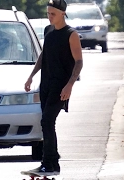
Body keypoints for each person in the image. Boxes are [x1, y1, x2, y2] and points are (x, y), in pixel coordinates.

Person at [24, 0, 83, 175]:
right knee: (47, 123)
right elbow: (44, 55)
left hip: (61, 85)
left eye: (53, 14)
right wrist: (31, 76)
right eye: (48, 13)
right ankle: (51, 162)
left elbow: (79, 62)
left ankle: (48, 164)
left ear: (62, 14)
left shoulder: (71, 34)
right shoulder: (48, 31)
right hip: (46, 84)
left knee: (47, 121)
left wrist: (70, 85)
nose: (49, 17)